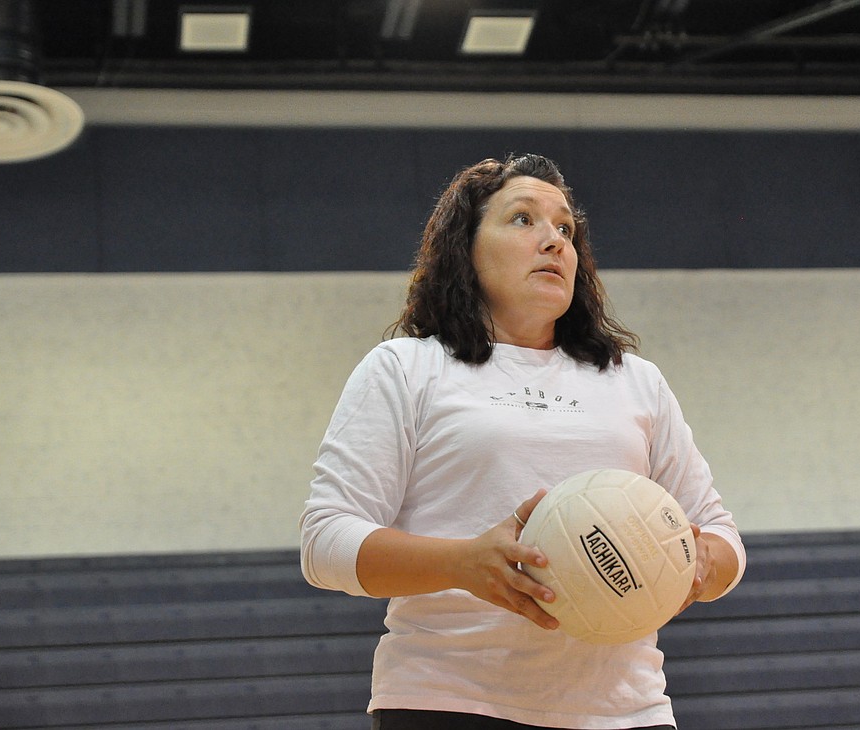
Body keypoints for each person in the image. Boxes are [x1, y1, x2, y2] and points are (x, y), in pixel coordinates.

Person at [300, 153, 745, 730]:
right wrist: (464, 564)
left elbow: (721, 534)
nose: (555, 241)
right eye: (522, 220)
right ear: (465, 248)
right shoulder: (407, 368)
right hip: (448, 702)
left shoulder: (636, 381)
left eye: (566, 229)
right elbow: (325, 541)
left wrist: (695, 567)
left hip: (626, 712)